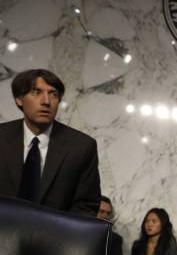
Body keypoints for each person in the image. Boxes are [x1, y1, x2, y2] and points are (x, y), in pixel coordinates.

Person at [0, 69, 101, 215]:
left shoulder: (81, 146)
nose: (46, 101)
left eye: (53, 94)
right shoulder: (2, 136)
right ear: (19, 99)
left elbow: (86, 204)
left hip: (56, 236)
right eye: (37, 92)